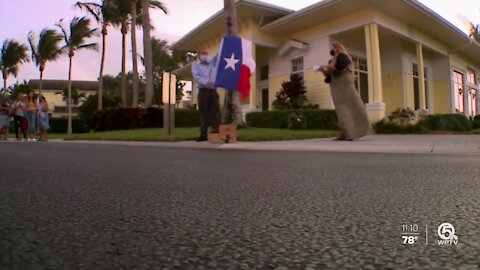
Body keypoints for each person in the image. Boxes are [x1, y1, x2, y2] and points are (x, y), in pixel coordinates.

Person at [318, 41, 370, 141]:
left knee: (350, 108)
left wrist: (326, 65)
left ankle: (353, 132)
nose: (332, 50)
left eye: (333, 47)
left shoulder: (343, 57)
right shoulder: (331, 61)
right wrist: (322, 70)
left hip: (345, 87)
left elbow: (339, 67)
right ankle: (345, 133)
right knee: (341, 111)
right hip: (336, 89)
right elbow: (328, 77)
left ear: (338, 48)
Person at [191, 48, 220, 142]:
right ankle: (203, 134)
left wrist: (224, 41)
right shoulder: (195, 64)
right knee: (203, 113)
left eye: (206, 53)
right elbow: (196, 76)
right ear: (198, 55)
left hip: (212, 90)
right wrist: (205, 82)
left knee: (215, 111)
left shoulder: (212, 62)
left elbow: (217, 55)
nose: (205, 55)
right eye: (203, 53)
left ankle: (216, 132)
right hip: (203, 91)